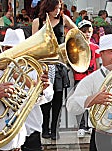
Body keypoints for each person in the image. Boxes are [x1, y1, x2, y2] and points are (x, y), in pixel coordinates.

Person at [32, 0, 76, 140]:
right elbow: (33, 43)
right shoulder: (37, 22)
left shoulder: (64, 19)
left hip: (59, 64)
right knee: (45, 98)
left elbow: (76, 32)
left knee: (58, 98)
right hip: (44, 65)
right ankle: (45, 128)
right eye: (55, 8)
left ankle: (54, 129)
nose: (58, 10)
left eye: (59, 8)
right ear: (48, 7)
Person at [74, 20, 100, 138]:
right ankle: (81, 126)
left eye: (89, 31)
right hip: (80, 77)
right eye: (84, 31)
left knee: (92, 101)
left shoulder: (95, 47)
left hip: (92, 78)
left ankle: (90, 124)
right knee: (80, 102)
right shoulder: (75, 47)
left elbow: (98, 64)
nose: (87, 34)